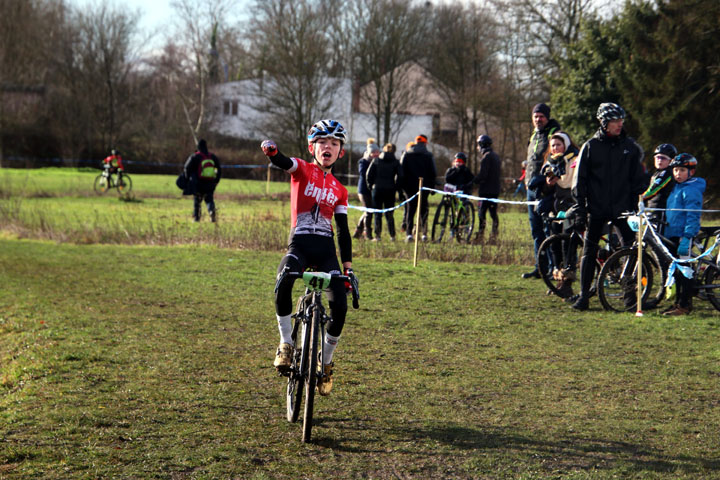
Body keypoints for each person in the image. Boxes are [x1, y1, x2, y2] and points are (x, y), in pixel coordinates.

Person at [260, 119, 356, 396]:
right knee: (282, 280)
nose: (328, 147)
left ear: (341, 152)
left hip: (326, 251)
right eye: (322, 142)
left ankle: (325, 363)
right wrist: (273, 153)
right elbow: (284, 162)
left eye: (335, 143)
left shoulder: (340, 189)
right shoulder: (302, 170)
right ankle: (286, 343)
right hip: (300, 246)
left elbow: (343, 231)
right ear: (312, 147)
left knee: (340, 305)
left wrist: (347, 269)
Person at [570, 102, 647, 311]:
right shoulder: (590, 147)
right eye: (615, 121)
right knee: (589, 250)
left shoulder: (629, 147)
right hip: (597, 208)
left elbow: (638, 179)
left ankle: (630, 296)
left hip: (623, 209)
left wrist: (638, 199)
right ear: (604, 123)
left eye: (621, 120)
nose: (620, 124)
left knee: (632, 250)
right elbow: (580, 182)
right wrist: (580, 209)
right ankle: (584, 295)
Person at [661, 153, 705, 316]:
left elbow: (693, 215)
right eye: (675, 170)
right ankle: (678, 303)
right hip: (673, 233)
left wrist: (687, 237)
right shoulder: (677, 187)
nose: (677, 174)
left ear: (691, 172)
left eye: (681, 170)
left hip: (683, 236)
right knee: (677, 270)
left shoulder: (691, 189)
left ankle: (684, 305)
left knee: (684, 270)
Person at [523, 103, 561, 279]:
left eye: (541, 116)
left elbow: (555, 159)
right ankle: (540, 267)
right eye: (535, 116)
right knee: (536, 230)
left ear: (547, 117)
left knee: (549, 230)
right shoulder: (533, 136)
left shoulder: (554, 134)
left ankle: (554, 268)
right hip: (530, 190)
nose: (538, 119)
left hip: (545, 190)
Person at [400, 134, 437, 242]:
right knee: (423, 210)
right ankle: (424, 234)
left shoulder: (406, 154)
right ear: (425, 143)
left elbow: (401, 171)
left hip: (409, 188)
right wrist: (432, 186)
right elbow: (433, 172)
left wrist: (402, 187)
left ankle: (409, 234)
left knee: (410, 210)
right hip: (424, 187)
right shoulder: (428, 155)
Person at [366, 143, 403, 241]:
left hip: (377, 190)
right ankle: (392, 236)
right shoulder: (396, 162)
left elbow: (368, 174)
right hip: (390, 190)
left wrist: (371, 186)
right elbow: (400, 176)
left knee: (377, 213)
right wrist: (397, 188)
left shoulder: (376, 160)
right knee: (389, 214)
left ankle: (377, 236)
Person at [469, 134, 501, 243]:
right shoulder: (495, 156)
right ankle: (493, 236)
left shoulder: (486, 157)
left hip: (486, 191)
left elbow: (483, 175)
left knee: (481, 213)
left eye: (478, 145)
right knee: (493, 214)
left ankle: (480, 236)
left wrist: (473, 181)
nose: (477, 148)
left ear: (482, 144)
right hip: (495, 190)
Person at [642, 143, 678, 233]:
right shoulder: (658, 172)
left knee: (657, 242)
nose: (659, 160)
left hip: (661, 212)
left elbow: (653, 190)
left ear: (671, 161)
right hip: (653, 210)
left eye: (663, 158)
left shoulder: (666, 173)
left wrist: (639, 199)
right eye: (657, 157)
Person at [183, 139, 221, 222]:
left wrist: (187, 178)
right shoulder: (212, 156)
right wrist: (216, 180)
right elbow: (218, 169)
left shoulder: (195, 156)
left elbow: (186, 168)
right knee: (209, 199)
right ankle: (211, 211)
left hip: (198, 183)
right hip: (210, 182)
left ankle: (197, 218)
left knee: (197, 200)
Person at [353, 139, 380, 239]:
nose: (376, 154)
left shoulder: (378, 162)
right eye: (374, 152)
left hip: (372, 190)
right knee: (368, 212)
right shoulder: (363, 161)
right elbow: (363, 174)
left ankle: (358, 231)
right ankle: (367, 233)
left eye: (377, 152)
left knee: (368, 211)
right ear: (369, 153)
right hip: (363, 190)